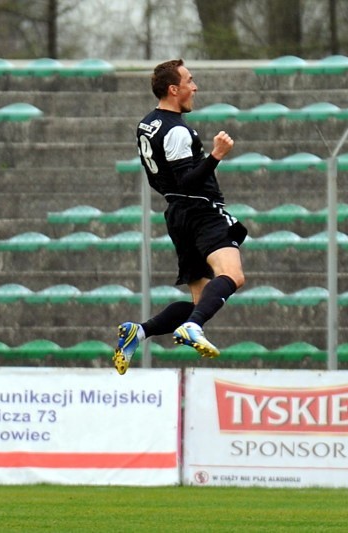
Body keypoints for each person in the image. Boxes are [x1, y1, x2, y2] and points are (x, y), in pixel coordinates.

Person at [113, 59, 247, 375]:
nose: (194, 86)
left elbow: (159, 178)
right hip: (200, 209)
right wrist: (215, 155)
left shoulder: (148, 124)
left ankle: (140, 331)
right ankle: (192, 328)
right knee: (233, 275)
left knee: (202, 300)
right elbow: (187, 180)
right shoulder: (176, 131)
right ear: (174, 89)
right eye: (189, 80)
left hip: (177, 213)